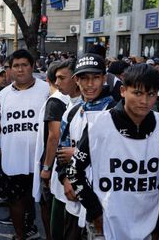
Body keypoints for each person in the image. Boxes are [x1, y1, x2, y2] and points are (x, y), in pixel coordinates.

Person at [66, 64, 159, 240]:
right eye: (138, 93)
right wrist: (95, 212)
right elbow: (73, 170)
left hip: (149, 225)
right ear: (123, 91)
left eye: (151, 94)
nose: (144, 101)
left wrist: (158, 223)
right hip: (106, 224)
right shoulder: (98, 124)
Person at [0, 49, 49, 240]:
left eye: (24, 65)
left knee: (45, 203)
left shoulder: (46, 90)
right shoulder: (3, 95)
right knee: (16, 201)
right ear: (10, 69)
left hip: (41, 160)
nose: (20, 70)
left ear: (33, 66)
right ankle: (21, 235)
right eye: (16, 66)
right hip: (13, 159)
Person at [56, 53, 117, 239]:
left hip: (104, 203)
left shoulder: (115, 112)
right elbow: (60, 151)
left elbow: (121, 155)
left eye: (95, 78)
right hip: (74, 201)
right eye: (84, 78)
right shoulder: (72, 112)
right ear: (76, 80)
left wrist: (78, 153)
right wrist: (65, 178)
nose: (90, 84)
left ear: (104, 78)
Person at [32, 62, 69, 240]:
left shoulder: (55, 101)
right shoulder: (70, 99)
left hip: (55, 166)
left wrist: (46, 168)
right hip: (64, 165)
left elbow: (53, 136)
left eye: (63, 78)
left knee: (49, 207)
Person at [49, 59, 81, 240]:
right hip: (63, 184)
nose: (57, 83)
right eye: (55, 78)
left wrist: (77, 154)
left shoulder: (105, 108)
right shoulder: (67, 105)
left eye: (62, 78)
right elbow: (61, 147)